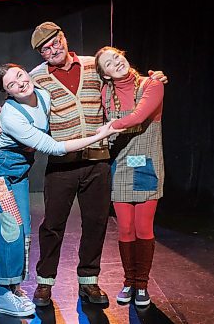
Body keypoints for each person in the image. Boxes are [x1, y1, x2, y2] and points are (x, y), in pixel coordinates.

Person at [0, 21, 167, 307]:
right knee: (53, 226)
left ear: (64, 38)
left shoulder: (92, 66)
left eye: (55, 41)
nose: (53, 49)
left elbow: (124, 80)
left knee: (96, 223)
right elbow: (18, 99)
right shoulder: (35, 77)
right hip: (62, 164)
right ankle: (45, 282)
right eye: (45, 48)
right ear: (40, 53)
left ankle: (89, 281)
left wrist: (154, 77)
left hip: (98, 161)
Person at [0, 63, 122, 317]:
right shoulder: (10, 115)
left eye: (20, 75)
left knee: (23, 230)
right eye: (12, 85)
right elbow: (53, 147)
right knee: (10, 230)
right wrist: (99, 136)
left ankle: (13, 288)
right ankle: (3, 294)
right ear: (8, 93)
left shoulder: (41, 93)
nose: (20, 83)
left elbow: (48, 64)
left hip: (17, 171)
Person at [94, 46, 165, 307]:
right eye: (109, 64)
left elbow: (138, 116)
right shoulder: (105, 93)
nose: (117, 63)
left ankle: (142, 285)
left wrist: (110, 126)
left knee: (143, 227)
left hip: (146, 163)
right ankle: (128, 281)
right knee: (125, 228)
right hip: (121, 165)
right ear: (106, 75)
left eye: (117, 57)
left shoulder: (152, 84)